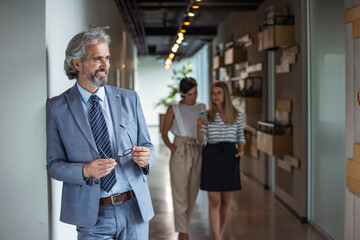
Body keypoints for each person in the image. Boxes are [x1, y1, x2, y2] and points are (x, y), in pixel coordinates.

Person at [46, 28, 155, 240]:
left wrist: (146, 157)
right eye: (97, 59)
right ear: (77, 63)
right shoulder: (57, 108)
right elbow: (53, 165)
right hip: (92, 216)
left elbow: (148, 146)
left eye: (107, 58)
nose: (105, 65)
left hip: (135, 209)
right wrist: (86, 170)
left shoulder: (129, 99)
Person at [196, 80, 245, 240]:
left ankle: (220, 234)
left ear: (225, 94)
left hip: (230, 155)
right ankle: (217, 237)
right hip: (212, 155)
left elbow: (240, 136)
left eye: (219, 93)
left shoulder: (237, 114)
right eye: (213, 93)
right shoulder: (206, 114)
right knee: (214, 200)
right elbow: (201, 141)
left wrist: (242, 149)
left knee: (226, 200)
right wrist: (198, 127)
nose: (215, 96)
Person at [161, 77, 206, 240]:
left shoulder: (202, 107)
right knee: (179, 192)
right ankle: (183, 232)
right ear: (182, 93)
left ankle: (183, 228)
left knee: (192, 192)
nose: (193, 97)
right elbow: (164, 132)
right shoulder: (174, 108)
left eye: (195, 93)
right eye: (189, 94)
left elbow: (203, 133)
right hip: (180, 150)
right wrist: (173, 149)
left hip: (196, 150)